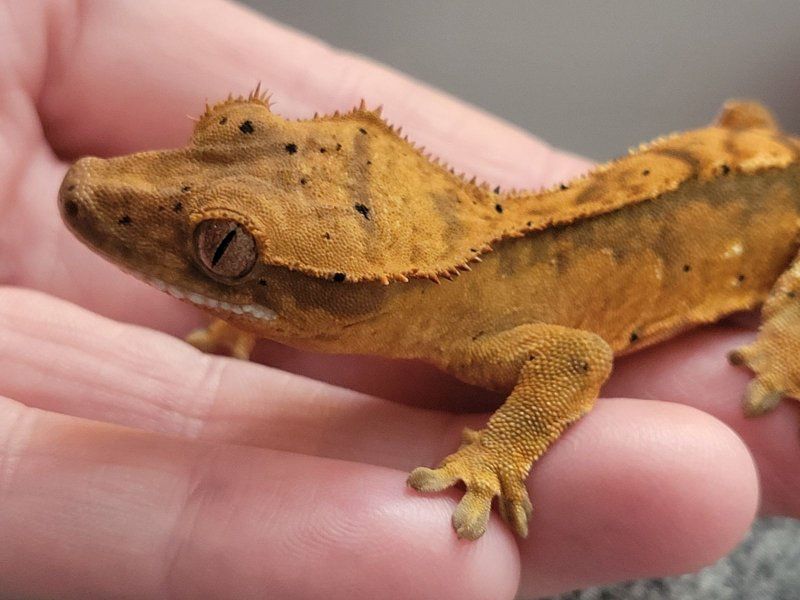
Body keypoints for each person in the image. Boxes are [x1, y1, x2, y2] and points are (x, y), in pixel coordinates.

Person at [1, 1, 796, 598]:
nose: (100, 186)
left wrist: (502, 450)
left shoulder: (484, 334)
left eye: (222, 250)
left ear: (366, 292)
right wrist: (242, 302)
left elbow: (574, 355)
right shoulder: (406, 292)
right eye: (229, 130)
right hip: (746, 147)